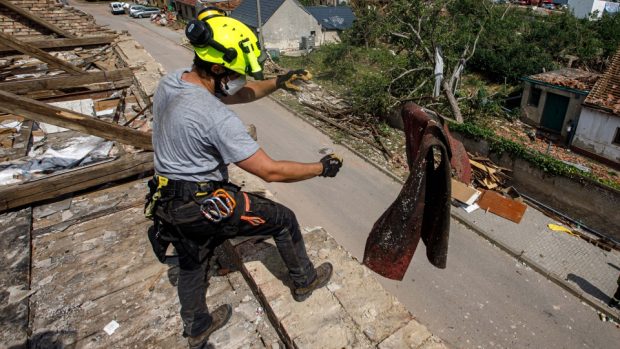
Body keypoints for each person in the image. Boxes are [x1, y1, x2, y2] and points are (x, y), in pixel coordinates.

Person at [147, 7, 343, 349]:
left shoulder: (174, 81)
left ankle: (196, 327)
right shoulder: (215, 117)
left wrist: (280, 82)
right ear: (219, 67)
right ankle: (304, 281)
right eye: (235, 72)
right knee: (283, 220)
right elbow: (271, 171)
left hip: (167, 200)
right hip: (201, 203)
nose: (239, 79)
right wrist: (321, 168)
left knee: (193, 260)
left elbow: (241, 92)